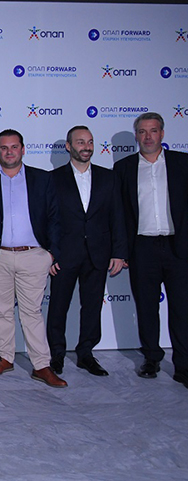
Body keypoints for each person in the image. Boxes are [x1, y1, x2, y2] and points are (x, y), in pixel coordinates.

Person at [0, 129, 66, 388]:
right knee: (1, 310)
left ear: (23, 149)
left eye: (14, 147)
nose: (9, 152)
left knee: (32, 312)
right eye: (4, 148)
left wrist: (51, 254)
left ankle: (41, 365)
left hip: (34, 256)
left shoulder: (42, 179)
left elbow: (55, 218)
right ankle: (5, 357)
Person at [114, 112, 188, 388]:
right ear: (136, 136)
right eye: (142, 131)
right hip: (142, 247)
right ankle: (151, 358)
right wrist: (122, 250)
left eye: (153, 131)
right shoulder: (124, 168)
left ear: (162, 134)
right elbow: (120, 214)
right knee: (146, 307)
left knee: (182, 309)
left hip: (178, 247)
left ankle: (183, 365)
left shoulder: (182, 163)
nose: (148, 137)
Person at [47, 126, 126, 376]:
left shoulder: (108, 177)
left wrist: (119, 252)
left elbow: (118, 217)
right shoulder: (53, 179)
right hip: (64, 255)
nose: (86, 147)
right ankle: (56, 354)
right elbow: (48, 220)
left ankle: (86, 354)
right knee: (58, 306)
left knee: (92, 307)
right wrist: (50, 253)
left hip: (98, 253)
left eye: (90, 142)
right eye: (80, 142)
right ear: (68, 146)